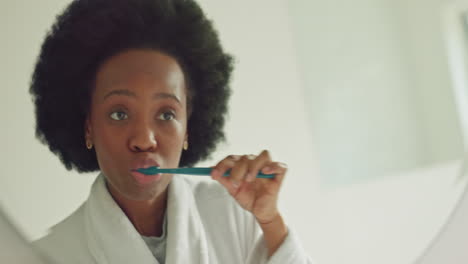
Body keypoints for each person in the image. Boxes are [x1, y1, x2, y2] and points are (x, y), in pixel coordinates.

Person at [30, 0, 313, 263]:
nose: (144, 139)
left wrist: (270, 221)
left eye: (166, 114)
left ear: (189, 127)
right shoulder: (47, 255)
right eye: (119, 113)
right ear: (88, 127)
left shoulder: (235, 215)